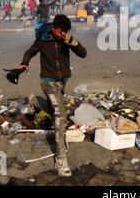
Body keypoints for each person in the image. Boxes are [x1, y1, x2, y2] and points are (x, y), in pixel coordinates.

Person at [16, 14, 87, 177]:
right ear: (53, 28)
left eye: (66, 32)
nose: (63, 35)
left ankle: (35, 102)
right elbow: (30, 51)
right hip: (47, 81)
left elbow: (83, 53)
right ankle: (61, 159)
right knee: (61, 116)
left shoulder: (67, 39)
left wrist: (73, 43)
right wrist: (24, 63)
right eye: (61, 32)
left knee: (55, 110)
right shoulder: (43, 38)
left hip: (61, 81)